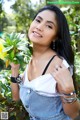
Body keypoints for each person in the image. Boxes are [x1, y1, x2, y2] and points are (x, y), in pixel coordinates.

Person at [10, 5, 80, 120]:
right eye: (38, 20)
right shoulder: (28, 55)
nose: (39, 27)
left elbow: (74, 114)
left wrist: (69, 91)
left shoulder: (59, 66)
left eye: (49, 26)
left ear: (55, 37)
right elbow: (16, 97)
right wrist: (14, 70)